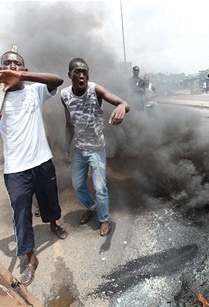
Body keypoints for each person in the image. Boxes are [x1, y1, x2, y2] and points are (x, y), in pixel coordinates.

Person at [0, 50, 67, 286]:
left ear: (24, 69)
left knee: (50, 201)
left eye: (17, 64)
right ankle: (30, 257)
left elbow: (58, 80)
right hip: (15, 169)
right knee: (21, 214)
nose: (12, 66)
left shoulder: (35, 90)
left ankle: (53, 224)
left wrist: (23, 76)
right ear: (0, 69)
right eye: (7, 63)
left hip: (42, 161)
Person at [61, 58, 130, 237]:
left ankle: (104, 218)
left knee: (100, 188)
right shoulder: (65, 95)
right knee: (77, 185)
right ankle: (91, 207)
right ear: (70, 74)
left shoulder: (95, 90)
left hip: (96, 148)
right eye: (77, 71)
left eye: (85, 71)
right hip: (78, 148)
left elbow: (123, 103)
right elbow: (69, 124)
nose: (82, 75)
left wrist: (122, 106)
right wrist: (66, 149)